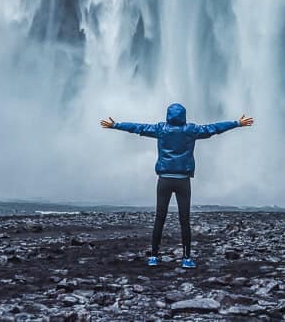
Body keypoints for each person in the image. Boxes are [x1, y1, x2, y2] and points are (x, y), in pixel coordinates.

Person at [100, 103, 253, 268]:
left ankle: (154, 257)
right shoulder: (191, 130)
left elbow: (138, 128)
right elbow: (213, 128)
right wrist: (237, 123)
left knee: (160, 218)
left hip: (164, 180)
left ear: (168, 116)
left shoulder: (161, 129)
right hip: (183, 180)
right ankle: (186, 258)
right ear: (184, 116)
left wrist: (116, 125)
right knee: (184, 220)